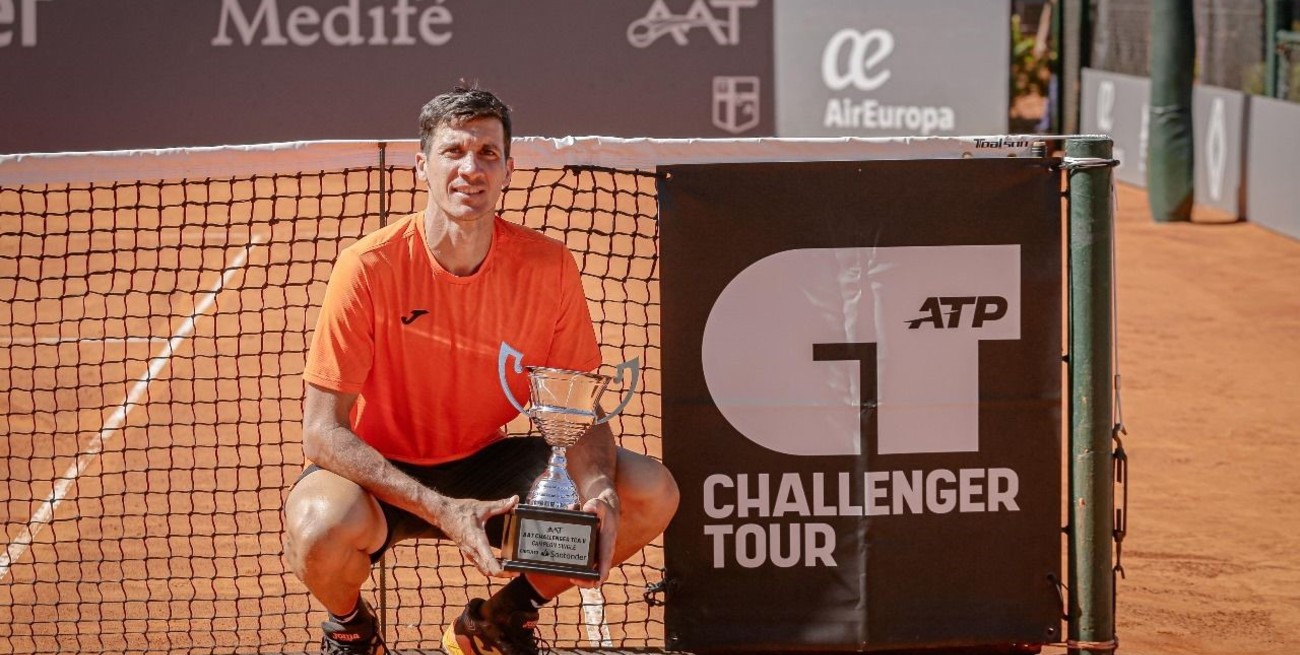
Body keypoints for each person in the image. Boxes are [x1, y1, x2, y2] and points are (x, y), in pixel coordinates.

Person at [283, 85, 680, 655]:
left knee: (647, 491)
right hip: (376, 472)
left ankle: (499, 621)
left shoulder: (548, 267)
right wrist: (442, 510)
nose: (471, 168)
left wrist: (598, 492)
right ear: (422, 164)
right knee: (320, 527)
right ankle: (352, 629)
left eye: (488, 153)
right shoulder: (368, 267)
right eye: (454, 151)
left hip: (484, 461)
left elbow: (577, 410)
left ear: (508, 169)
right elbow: (322, 430)